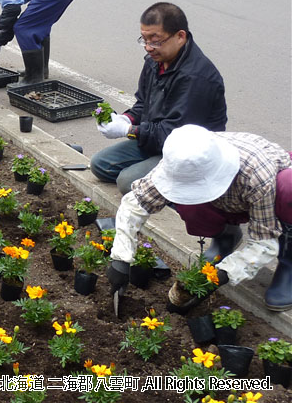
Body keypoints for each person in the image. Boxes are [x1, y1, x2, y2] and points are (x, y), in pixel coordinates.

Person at [106, 125, 292, 312]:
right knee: (189, 204)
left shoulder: (256, 175)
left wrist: (223, 274)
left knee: (288, 189)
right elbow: (135, 204)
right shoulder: (182, 158)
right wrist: (121, 258)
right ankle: (226, 237)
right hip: (230, 200)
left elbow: (263, 242)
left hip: (272, 194)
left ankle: (289, 265)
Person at [90, 2, 227, 194]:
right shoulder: (156, 62)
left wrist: (129, 130)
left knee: (127, 182)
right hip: (156, 142)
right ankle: (161, 186)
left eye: (156, 41)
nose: (148, 48)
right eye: (144, 40)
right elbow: (143, 104)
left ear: (180, 37)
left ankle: (188, 191)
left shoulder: (196, 77)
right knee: (100, 164)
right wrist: (125, 119)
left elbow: (173, 135)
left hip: (188, 153)